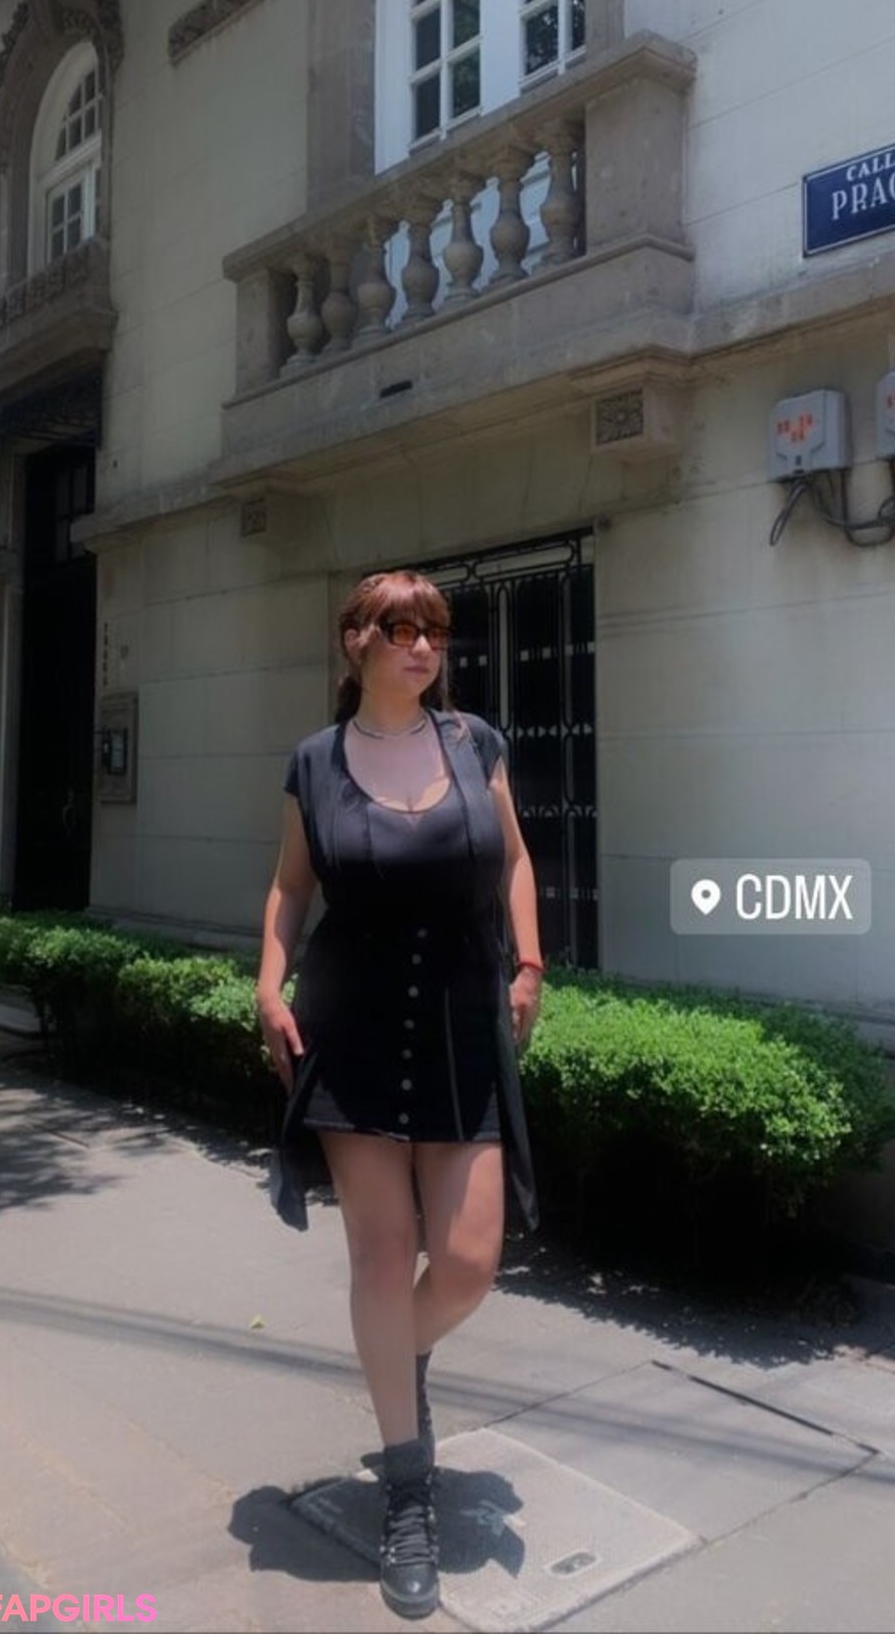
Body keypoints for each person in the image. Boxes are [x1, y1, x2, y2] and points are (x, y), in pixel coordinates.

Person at [255, 569, 543, 1621]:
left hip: (463, 1026)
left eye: (435, 628)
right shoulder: (316, 762)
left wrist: (530, 962)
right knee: (381, 1258)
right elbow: (291, 884)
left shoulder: (476, 744)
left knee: (466, 1262)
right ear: (356, 641)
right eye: (399, 626)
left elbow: (513, 858)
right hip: (355, 1030)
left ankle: (397, 1348)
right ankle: (407, 1488)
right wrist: (268, 981)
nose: (422, 644)